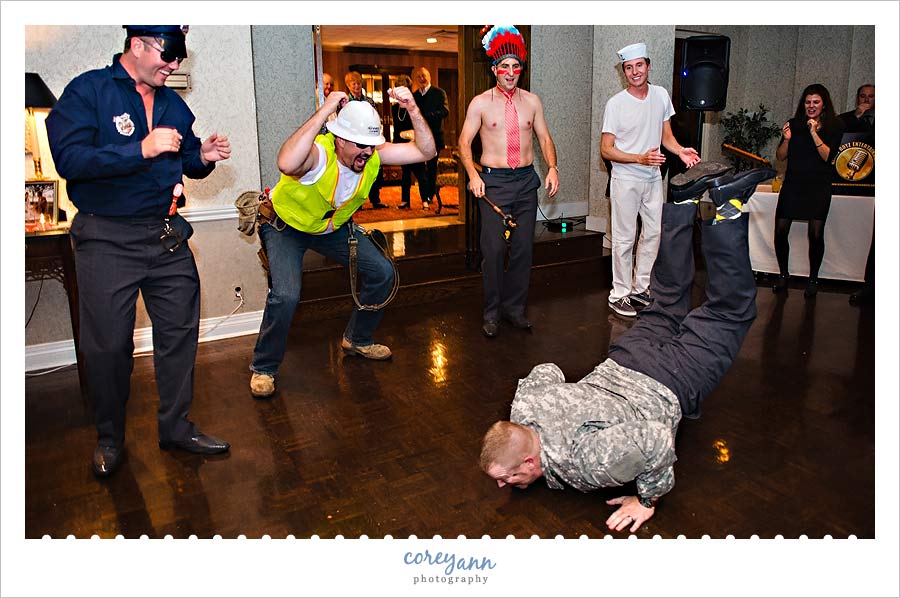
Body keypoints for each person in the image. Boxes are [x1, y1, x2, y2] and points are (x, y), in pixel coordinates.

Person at [479, 166, 774, 532]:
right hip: (626, 356)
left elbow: (656, 440)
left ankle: (728, 207)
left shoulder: (583, 463)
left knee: (729, 311)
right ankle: (681, 204)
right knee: (665, 300)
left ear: (527, 463)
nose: (501, 485)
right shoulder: (522, 408)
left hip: (668, 379)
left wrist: (647, 497)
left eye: (507, 478)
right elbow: (546, 372)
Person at [46, 25, 233, 478]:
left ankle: (175, 427)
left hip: (167, 236)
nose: (173, 66)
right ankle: (110, 438)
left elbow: (185, 158)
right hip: (106, 238)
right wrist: (139, 149)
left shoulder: (172, 103)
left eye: (177, 59)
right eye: (167, 56)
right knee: (108, 347)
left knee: (179, 336)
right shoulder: (87, 90)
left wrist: (203, 156)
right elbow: (69, 159)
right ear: (138, 45)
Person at [248, 85, 436, 399]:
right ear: (341, 140)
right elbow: (285, 162)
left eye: (372, 145)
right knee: (286, 295)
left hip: (329, 229)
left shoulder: (372, 155)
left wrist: (413, 109)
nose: (368, 152)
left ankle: (357, 339)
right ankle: (264, 366)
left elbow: (426, 151)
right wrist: (325, 110)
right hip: (285, 227)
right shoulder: (318, 156)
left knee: (383, 273)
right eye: (361, 145)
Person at [459, 25, 560, 339]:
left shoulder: (532, 101)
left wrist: (553, 167)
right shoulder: (480, 103)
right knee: (493, 250)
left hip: (525, 181)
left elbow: (544, 138)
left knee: (522, 251)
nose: (511, 72)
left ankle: (514, 310)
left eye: (517, 67)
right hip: (493, 183)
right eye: (505, 67)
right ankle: (491, 312)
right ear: (494, 69)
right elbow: (463, 144)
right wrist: (474, 176)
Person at [600, 42, 703, 319]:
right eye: (629, 68)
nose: (634, 72)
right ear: (624, 71)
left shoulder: (660, 95)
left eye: (639, 65)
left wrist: (680, 150)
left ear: (648, 65)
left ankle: (640, 288)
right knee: (624, 239)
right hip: (626, 177)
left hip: (653, 178)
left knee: (653, 234)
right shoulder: (616, 104)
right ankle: (618, 294)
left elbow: (665, 136)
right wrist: (638, 158)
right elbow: (606, 149)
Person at [773, 83, 844, 298]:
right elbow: (780, 157)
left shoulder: (835, 125)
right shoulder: (793, 124)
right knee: (780, 230)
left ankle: (813, 279)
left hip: (818, 186)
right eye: (807, 102)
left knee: (815, 234)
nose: (811, 106)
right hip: (793, 183)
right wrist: (786, 140)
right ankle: (783, 275)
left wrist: (814, 132)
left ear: (824, 105)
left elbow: (828, 157)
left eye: (816, 102)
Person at [839, 84, 875, 306]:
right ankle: (870, 287)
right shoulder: (847, 119)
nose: (867, 100)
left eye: (871, 97)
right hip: (853, 182)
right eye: (863, 96)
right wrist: (858, 116)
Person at [345, 70, 387, 209]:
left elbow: (376, 119)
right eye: (353, 83)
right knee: (355, 172)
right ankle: (357, 203)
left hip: (369, 140)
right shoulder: (345, 102)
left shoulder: (369, 101)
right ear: (348, 85)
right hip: (353, 142)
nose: (356, 86)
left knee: (372, 170)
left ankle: (375, 199)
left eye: (358, 83)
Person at [410, 66, 449, 212]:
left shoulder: (439, 93)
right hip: (419, 138)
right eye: (419, 76)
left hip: (435, 137)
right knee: (420, 169)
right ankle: (424, 196)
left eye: (424, 76)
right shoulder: (414, 96)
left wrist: (428, 116)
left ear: (429, 77)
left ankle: (430, 195)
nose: (422, 79)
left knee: (432, 167)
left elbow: (445, 111)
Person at [390, 74, 419, 210]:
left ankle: (426, 199)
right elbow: (396, 127)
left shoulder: (414, 106)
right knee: (405, 173)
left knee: (420, 172)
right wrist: (395, 143)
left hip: (413, 142)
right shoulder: (395, 108)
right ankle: (405, 200)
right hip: (400, 143)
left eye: (405, 87)